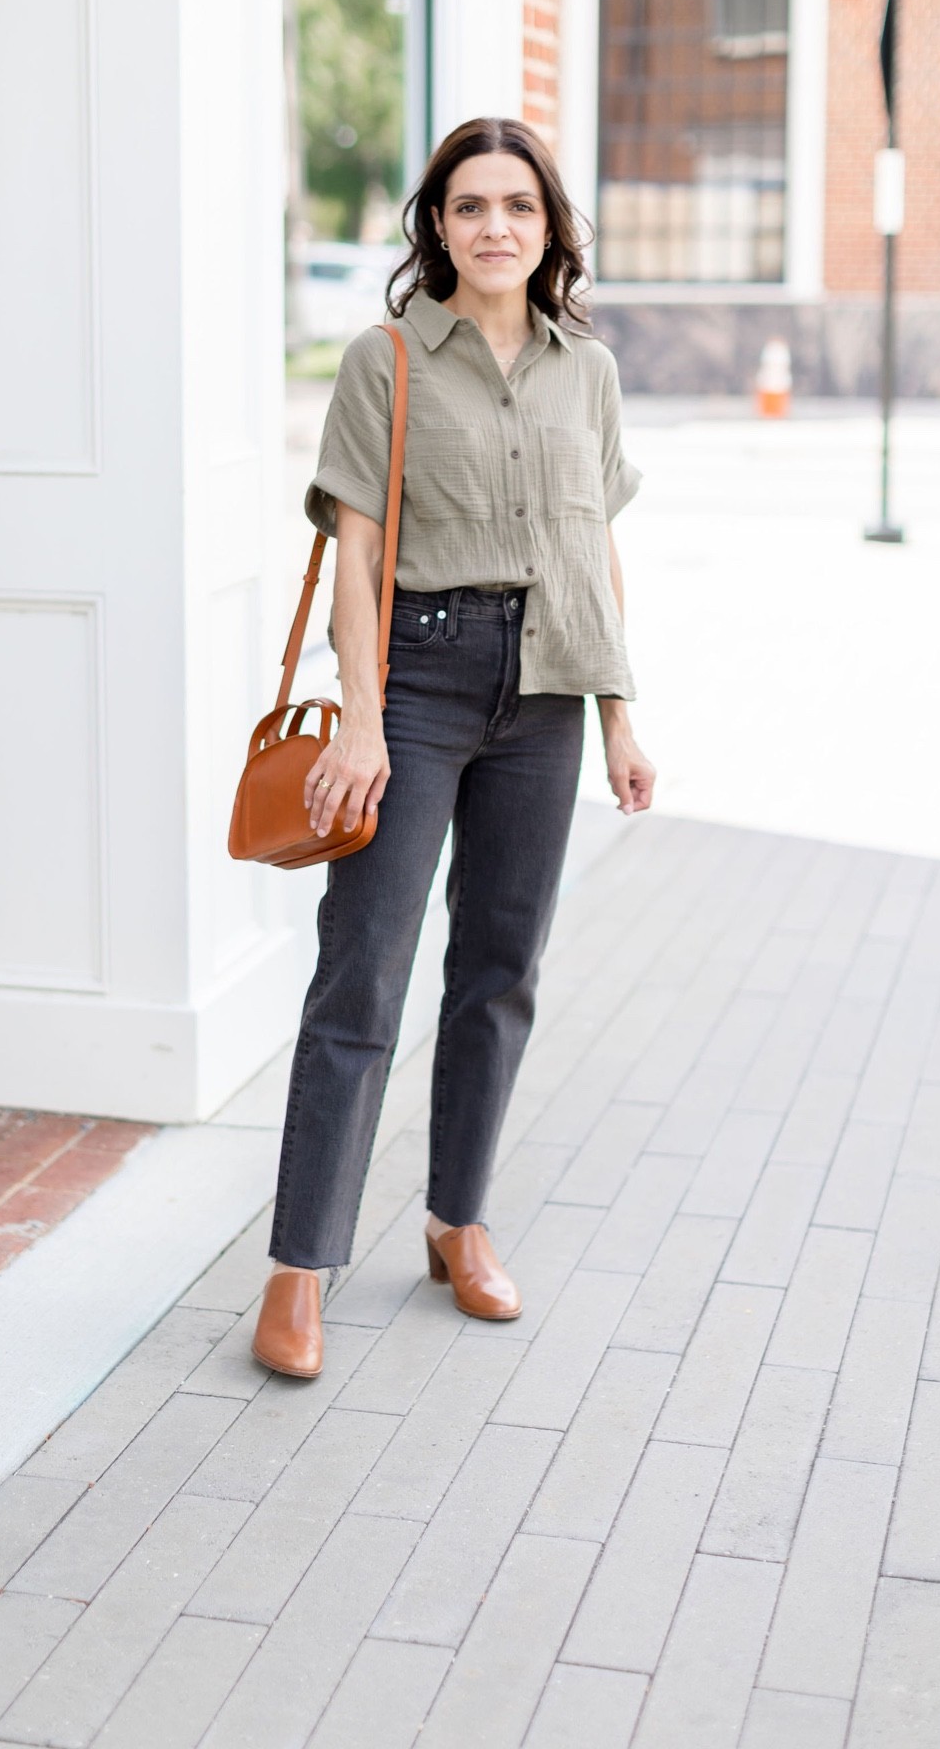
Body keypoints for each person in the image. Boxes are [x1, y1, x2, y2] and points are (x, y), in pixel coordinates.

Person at [252, 116, 656, 1379]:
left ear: (549, 228)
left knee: (499, 968)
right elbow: (358, 558)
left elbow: (594, 552)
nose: (495, 226)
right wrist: (362, 717)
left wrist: (620, 714)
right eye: (471, 204)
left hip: (543, 691)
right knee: (361, 972)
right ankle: (297, 1266)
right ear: (435, 223)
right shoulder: (386, 360)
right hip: (416, 679)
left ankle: (455, 1222)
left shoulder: (583, 368)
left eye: (518, 207)